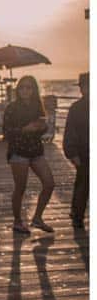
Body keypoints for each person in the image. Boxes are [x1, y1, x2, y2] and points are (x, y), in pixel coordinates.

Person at [4, 76, 56, 234]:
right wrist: (24, 129)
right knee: (20, 188)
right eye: (22, 87)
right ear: (17, 90)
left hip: (35, 150)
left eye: (29, 87)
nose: (25, 90)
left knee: (49, 183)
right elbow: (6, 132)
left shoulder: (37, 107)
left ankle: (37, 218)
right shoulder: (12, 108)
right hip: (19, 152)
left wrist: (42, 127)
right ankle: (18, 222)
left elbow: (42, 129)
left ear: (34, 90)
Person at [63, 73, 88, 231]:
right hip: (83, 153)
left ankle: (75, 212)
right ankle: (77, 215)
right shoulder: (76, 108)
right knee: (83, 185)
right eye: (85, 86)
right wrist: (72, 154)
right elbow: (70, 133)